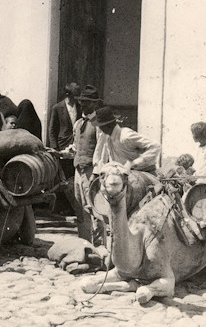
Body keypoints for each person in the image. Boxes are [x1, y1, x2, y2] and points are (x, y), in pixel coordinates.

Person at [65, 85, 102, 242]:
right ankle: (84, 244)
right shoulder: (78, 123)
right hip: (78, 171)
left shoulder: (99, 124)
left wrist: (96, 173)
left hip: (91, 171)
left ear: (95, 104)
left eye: (87, 102)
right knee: (80, 209)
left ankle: (99, 247)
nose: (83, 105)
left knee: (95, 209)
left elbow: (101, 151)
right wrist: (67, 152)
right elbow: (76, 146)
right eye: (82, 102)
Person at [91, 106, 162, 175]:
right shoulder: (108, 139)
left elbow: (155, 146)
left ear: (107, 126)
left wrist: (135, 163)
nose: (100, 129)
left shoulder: (126, 135)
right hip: (124, 175)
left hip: (144, 173)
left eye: (100, 126)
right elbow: (103, 159)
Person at [47, 82, 82, 151]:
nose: (77, 98)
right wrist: (54, 147)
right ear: (67, 95)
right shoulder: (57, 108)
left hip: (76, 146)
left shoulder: (80, 107)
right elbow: (52, 129)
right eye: (74, 96)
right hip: (63, 145)